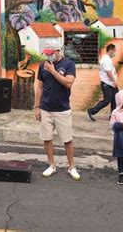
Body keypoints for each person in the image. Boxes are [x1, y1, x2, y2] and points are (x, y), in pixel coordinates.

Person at [34, 40, 81, 181]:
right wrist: (37, 106)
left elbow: (68, 83)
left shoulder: (69, 64)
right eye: (46, 53)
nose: (48, 56)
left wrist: (53, 71)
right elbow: (40, 87)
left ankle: (71, 166)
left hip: (62, 109)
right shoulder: (42, 66)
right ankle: (51, 165)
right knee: (47, 138)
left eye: (51, 53)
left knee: (67, 139)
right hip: (45, 108)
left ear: (58, 51)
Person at [87, 44, 118, 121]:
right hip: (107, 83)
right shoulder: (106, 59)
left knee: (115, 99)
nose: (115, 53)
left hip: (110, 83)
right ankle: (91, 111)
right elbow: (108, 71)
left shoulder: (107, 59)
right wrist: (114, 81)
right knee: (107, 100)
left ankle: (113, 116)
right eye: (114, 51)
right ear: (110, 50)